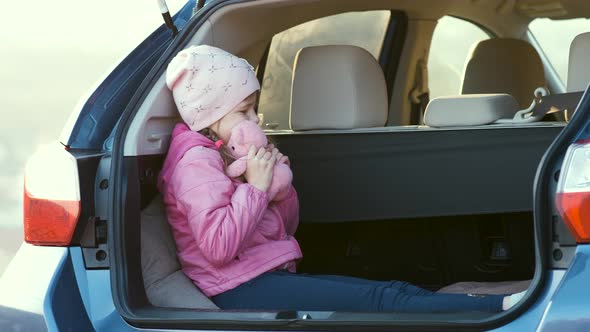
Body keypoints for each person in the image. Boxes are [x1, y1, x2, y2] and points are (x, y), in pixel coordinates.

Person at [157, 45, 526, 312]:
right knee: (385, 301)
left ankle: (496, 303)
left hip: (263, 275)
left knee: (392, 289)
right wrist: (255, 187)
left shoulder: (230, 154)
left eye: (256, 109)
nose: (255, 121)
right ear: (211, 114)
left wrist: (276, 189)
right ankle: (509, 307)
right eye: (245, 110)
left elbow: (285, 229)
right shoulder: (195, 163)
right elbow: (219, 246)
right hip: (236, 289)